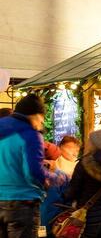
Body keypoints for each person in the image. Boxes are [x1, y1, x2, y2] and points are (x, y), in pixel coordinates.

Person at [0, 93, 51, 238]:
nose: (42, 122)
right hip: (21, 201)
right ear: (34, 115)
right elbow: (33, 172)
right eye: (42, 117)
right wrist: (50, 177)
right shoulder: (30, 134)